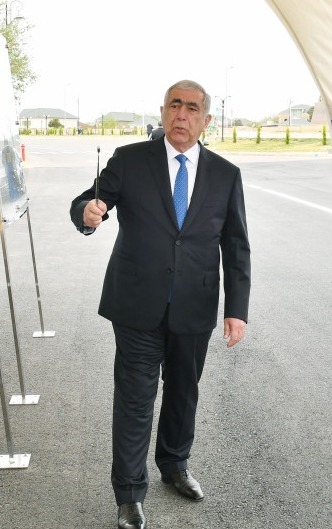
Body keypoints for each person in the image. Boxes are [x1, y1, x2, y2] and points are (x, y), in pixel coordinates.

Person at [70, 80, 250, 529]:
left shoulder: (226, 174)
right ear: (164, 111)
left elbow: (236, 245)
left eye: (192, 108)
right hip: (137, 303)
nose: (181, 115)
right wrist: (88, 213)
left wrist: (236, 309)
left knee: (184, 391)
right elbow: (89, 201)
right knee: (135, 398)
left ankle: (174, 465)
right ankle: (129, 493)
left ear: (206, 120)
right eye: (174, 105)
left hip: (195, 304)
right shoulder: (130, 160)